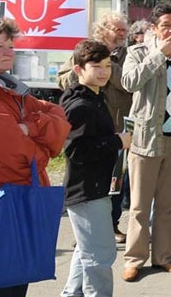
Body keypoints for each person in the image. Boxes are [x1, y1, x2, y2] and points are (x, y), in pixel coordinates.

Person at [120, 5, 171, 282]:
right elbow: (129, 82)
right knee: (140, 206)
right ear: (154, 28)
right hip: (146, 140)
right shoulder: (138, 52)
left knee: (168, 204)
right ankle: (134, 259)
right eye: (165, 25)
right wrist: (159, 55)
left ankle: (164, 256)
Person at [0, 18, 71, 297]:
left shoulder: (11, 88)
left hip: (17, 202)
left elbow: (60, 119)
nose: (8, 51)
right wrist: (41, 149)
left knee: (16, 280)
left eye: (10, 45)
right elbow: (11, 154)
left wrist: (32, 128)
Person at [59, 40, 133, 297]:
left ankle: (71, 294)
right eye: (96, 66)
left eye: (107, 66)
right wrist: (116, 141)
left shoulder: (92, 97)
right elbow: (75, 150)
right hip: (87, 191)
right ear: (78, 69)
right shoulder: (82, 106)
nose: (103, 72)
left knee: (86, 250)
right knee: (100, 257)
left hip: (94, 188)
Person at [57, 12, 133, 244]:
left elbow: (130, 84)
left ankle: (111, 224)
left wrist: (112, 66)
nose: (122, 33)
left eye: (124, 29)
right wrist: (84, 70)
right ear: (102, 29)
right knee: (88, 179)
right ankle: (88, 231)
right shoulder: (84, 52)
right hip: (89, 123)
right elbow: (62, 79)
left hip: (116, 125)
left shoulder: (129, 55)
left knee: (115, 180)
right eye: (116, 28)